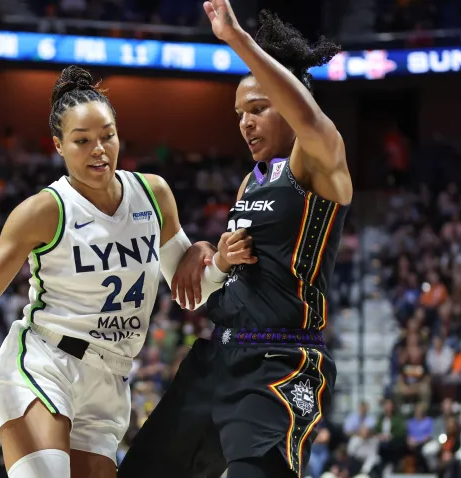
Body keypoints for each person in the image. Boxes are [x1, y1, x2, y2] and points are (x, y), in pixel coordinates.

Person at [0, 65, 254, 478]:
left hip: (111, 378)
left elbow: (192, 292)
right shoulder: (43, 210)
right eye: (82, 141)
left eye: (107, 136)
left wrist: (219, 262)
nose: (99, 149)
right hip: (45, 364)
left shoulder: (154, 194)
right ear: (59, 146)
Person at [118, 1, 352, 477]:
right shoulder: (252, 181)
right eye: (239, 113)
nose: (245, 122)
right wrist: (214, 255)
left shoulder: (320, 162)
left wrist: (239, 40)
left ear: (287, 106)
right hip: (217, 356)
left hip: (279, 363)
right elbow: (236, 266)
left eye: (259, 108)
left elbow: (309, 120)